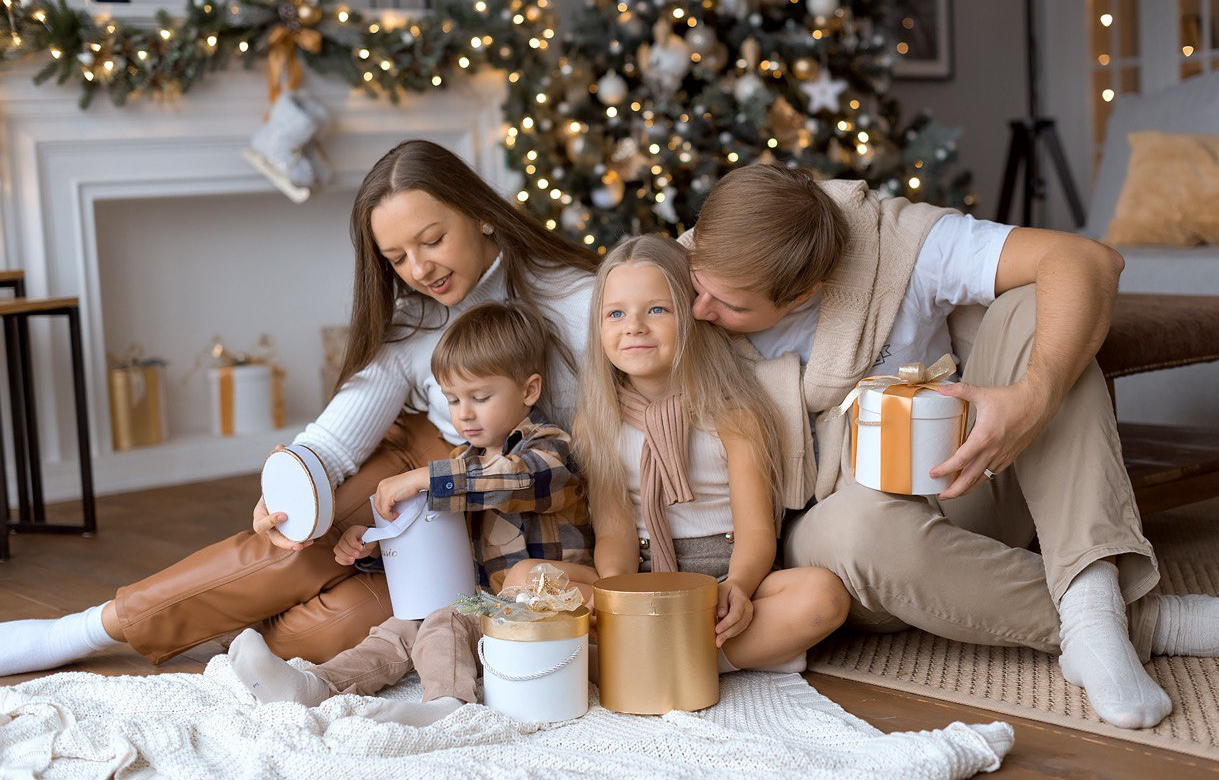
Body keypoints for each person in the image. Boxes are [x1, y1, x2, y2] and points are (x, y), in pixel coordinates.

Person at [680, 162, 1219, 729]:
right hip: (845, 544)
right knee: (854, 527)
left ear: (806, 294)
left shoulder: (898, 246)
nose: (698, 310)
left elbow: (1086, 259)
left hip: (965, 478)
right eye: (697, 286)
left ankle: (1092, 603)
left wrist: (1034, 396)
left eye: (728, 305)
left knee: (1037, 308)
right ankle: (1151, 623)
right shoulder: (677, 281)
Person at [0, 140, 598, 677]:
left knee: (335, 629)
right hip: (425, 463)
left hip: (510, 506)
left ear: (483, 214)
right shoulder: (413, 320)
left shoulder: (575, 298)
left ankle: (227, 637)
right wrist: (290, 485)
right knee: (298, 539)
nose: (419, 270)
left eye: (432, 240)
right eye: (395, 258)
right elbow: (337, 438)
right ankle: (81, 630)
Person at [226, 301, 591, 728]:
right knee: (400, 626)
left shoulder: (549, 449)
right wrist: (372, 545)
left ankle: (449, 706)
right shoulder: (459, 459)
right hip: (482, 605)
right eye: (452, 399)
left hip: (545, 610)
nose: (464, 413)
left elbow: (510, 481)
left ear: (528, 391)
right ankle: (318, 686)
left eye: (480, 397)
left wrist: (423, 480)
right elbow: (427, 543)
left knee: (444, 616)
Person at [510, 235, 851, 673]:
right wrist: (618, 599)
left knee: (822, 597)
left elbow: (756, 533)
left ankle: (639, 662)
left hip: (723, 580)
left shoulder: (733, 414)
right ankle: (698, 658)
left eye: (657, 309)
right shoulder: (597, 422)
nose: (633, 326)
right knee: (525, 582)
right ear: (599, 329)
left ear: (692, 318)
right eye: (615, 313)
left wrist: (740, 588)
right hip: (642, 576)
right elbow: (615, 533)